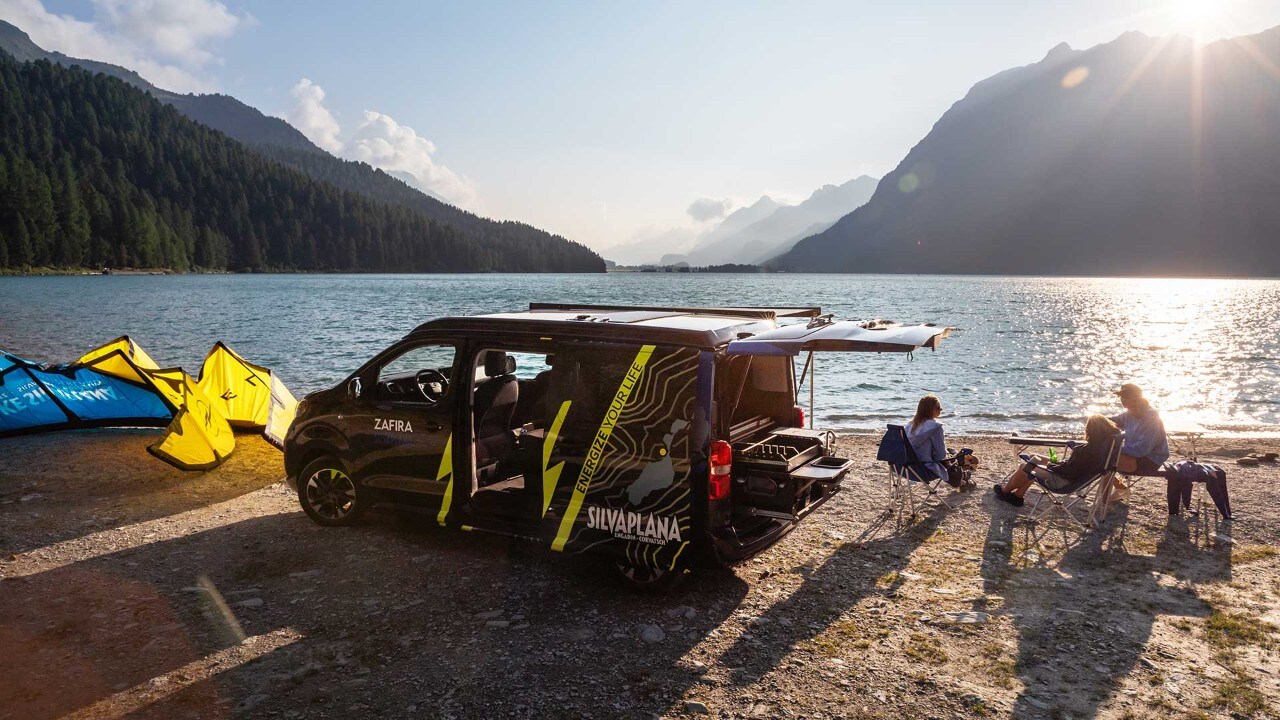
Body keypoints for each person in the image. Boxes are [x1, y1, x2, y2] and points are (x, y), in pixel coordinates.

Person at [993, 414, 1121, 507]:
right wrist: (1054, 463)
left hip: (1062, 482)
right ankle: (1018, 496)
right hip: (1074, 478)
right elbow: (1074, 467)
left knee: (1025, 466)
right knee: (1037, 461)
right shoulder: (1104, 450)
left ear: (1090, 431)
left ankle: (1004, 493)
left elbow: (1069, 471)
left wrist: (1051, 467)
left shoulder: (1085, 451)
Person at [905, 395, 976, 488]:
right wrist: (949, 458)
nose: (941, 410)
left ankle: (963, 477)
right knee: (952, 458)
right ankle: (962, 480)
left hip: (905, 468)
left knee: (951, 452)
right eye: (938, 408)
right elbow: (941, 455)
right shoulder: (935, 427)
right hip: (925, 470)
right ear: (930, 410)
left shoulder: (909, 425)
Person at [1110, 383, 1169, 475]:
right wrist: (1095, 421)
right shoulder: (1128, 414)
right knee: (1102, 455)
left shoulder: (1151, 418)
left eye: (1125, 396)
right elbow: (1111, 422)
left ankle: (1114, 488)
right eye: (1121, 397)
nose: (1122, 400)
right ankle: (1118, 488)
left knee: (1107, 457)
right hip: (1132, 455)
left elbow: (1142, 449)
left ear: (1136, 398)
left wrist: (1115, 449)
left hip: (1150, 460)